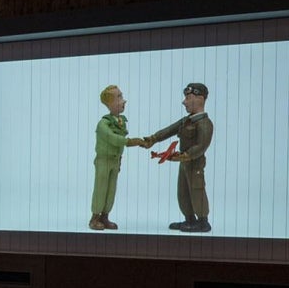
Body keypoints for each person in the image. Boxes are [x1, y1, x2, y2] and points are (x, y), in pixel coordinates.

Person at [130, 82, 213, 232]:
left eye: (188, 98)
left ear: (200, 99)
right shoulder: (186, 121)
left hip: (195, 164)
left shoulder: (205, 123)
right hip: (184, 163)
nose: (184, 102)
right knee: (183, 192)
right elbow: (169, 130)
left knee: (196, 190)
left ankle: (202, 222)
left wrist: (186, 155)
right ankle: (189, 219)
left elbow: (202, 146)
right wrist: (153, 139)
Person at [89, 85, 129, 230]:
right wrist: (131, 142)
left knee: (111, 189)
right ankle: (94, 217)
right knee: (101, 188)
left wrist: (119, 159)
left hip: (115, 160)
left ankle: (105, 216)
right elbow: (113, 138)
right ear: (109, 103)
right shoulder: (103, 124)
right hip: (103, 161)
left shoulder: (121, 122)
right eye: (118, 97)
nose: (123, 101)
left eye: (121, 96)